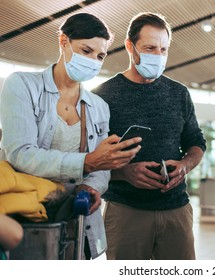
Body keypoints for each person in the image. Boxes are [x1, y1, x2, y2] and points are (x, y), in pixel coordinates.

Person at [0, 13, 141, 259]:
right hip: (27, 216)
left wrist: (92, 185)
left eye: (100, 56)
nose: (93, 61)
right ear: (63, 42)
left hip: (79, 220)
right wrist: (87, 162)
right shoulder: (22, 85)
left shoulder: (98, 106)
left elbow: (101, 167)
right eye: (86, 51)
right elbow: (20, 153)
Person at [92, 12, 206, 260]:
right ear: (130, 47)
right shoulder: (102, 96)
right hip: (125, 211)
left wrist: (185, 165)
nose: (158, 56)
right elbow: (88, 161)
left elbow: (196, 142)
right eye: (150, 48)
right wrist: (124, 173)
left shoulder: (179, 94)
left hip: (177, 209)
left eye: (163, 49)